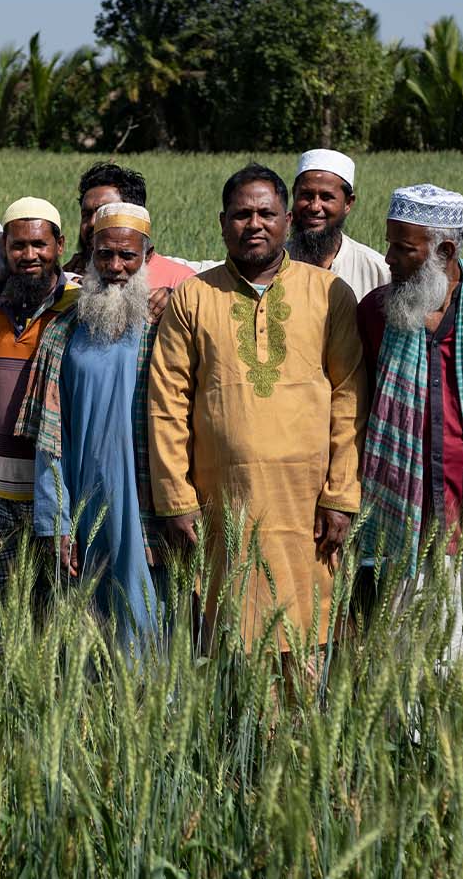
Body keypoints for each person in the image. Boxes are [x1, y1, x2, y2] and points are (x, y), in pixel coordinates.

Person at [148, 164, 367, 656]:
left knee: (305, 644)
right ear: (222, 223)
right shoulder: (194, 296)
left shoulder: (329, 292)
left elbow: (349, 395)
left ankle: (295, 733)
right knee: (232, 641)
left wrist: (341, 495)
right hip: (223, 506)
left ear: (287, 220)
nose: (254, 224)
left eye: (266, 213)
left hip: (307, 508)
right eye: (241, 214)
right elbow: (167, 402)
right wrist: (175, 499)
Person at [355, 184, 463, 651]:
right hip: (398, 521)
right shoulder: (375, 311)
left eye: (403, 247)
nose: (388, 256)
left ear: (445, 249)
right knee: (400, 659)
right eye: (389, 241)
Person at [18, 202, 163, 654]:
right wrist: (56, 520)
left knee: (147, 617)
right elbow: (49, 440)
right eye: (105, 255)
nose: (116, 267)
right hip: (83, 503)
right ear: (89, 253)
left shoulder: (166, 326)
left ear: (147, 256)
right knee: (87, 628)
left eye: (128, 257)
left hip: (146, 504)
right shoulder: (63, 331)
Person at [0, 197, 78, 590]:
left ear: (60, 245)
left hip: (57, 491)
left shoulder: (80, 305)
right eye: (19, 245)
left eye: (40, 244)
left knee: (56, 607)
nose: (30, 254)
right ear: (5, 248)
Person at [62, 161, 203, 289]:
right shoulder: (70, 278)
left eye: (105, 213)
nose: (93, 222)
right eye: (86, 215)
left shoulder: (181, 282)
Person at [287, 148, 389, 301]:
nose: (315, 207)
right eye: (306, 195)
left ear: (348, 203)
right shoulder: (274, 264)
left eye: (326, 197)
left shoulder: (378, 272)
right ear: (294, 195)